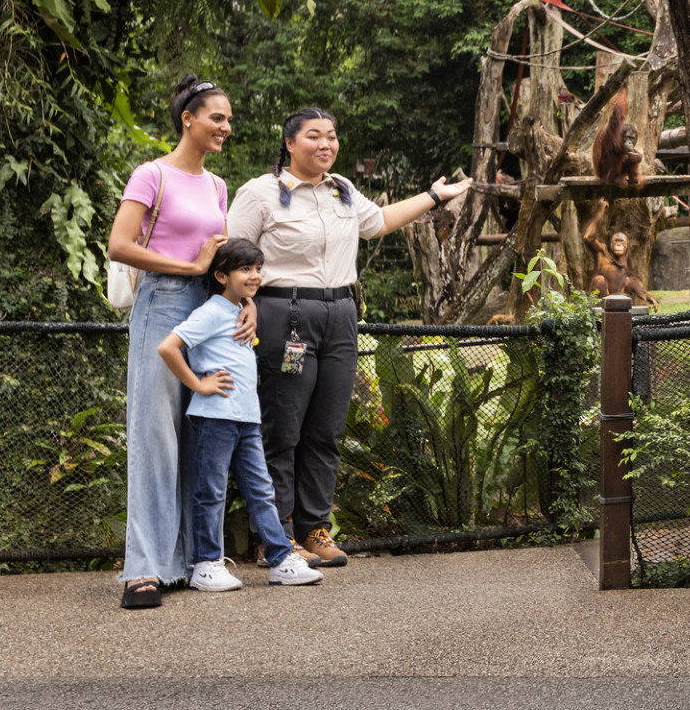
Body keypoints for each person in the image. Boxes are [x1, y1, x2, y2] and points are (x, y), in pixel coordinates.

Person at [227, 106, 472, 569]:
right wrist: (245, 302)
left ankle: (315, 530)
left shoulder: (342, 190)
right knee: (283, 428)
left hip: (340, 314)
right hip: (284, 314)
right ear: (289, 143)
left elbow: (377, 222)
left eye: (332, 136)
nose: (326, 145)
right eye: (314, 136)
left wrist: (433, 196)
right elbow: (232, 253)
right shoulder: (260, 193)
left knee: (326, 428)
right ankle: (275, 537)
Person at [108, 75, 254, 611]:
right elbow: (119, 245)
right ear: (188, 118)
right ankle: (143, 569)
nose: (225, 126)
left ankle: (193, 561)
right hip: (164, 302)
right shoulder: (152, 174)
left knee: (202, 431)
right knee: (155, 435)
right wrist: (188, 266)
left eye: (229, 119)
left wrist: (246, 299)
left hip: (211, 307)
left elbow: (222, 260)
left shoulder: (216, 186)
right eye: (217, 117)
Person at [156, 239, 323, 592]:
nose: (255, 276)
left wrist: (249, 302)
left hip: (246, 419)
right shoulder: (212, 312)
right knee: (211, 491)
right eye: (245, 269)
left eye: (258, 269)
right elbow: (168, 347)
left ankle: (280, 560)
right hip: (214, 417)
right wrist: (198, 385)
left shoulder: (241, 312)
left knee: (262, 491)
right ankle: (206, 564)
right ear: (220, 275)